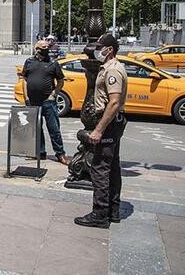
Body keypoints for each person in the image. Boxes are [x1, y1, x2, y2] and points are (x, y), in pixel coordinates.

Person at [75, 34, 128, 229]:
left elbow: (113, 102)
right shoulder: (109, 67)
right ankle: (113, 211)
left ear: (110, 49)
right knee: (112, 167)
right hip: (113, 123)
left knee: (100, 168)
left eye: (100, 47)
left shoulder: (113, 70)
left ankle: (100, 213)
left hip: (108, 123)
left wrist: (98, 130)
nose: (97, 50)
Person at [21, 40, 69, 164]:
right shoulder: (29, 62)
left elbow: (60, 81)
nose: (46, 49)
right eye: (43, 47)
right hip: (32, 101)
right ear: (36, 49)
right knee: (36, 128)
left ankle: (60, 154)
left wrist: (54, 94)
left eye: (47, 47)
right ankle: (39, 152)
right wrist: (26, 97)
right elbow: (24, 80)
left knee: (54, 129)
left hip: (48, 102)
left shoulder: (53, 63)